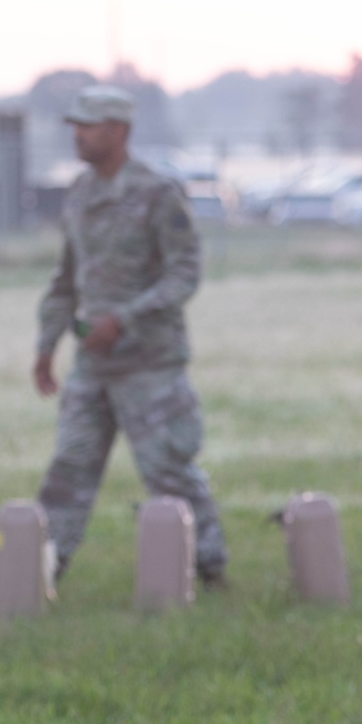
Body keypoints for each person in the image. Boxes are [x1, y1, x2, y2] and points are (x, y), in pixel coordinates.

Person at [30, 83, 227, 587]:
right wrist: (47, 344)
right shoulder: (79, 196)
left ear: (118, 131)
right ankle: (38, 571)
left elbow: (185, 272)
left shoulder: (158, 194)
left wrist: (125, 318)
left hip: (150, 362)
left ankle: (207, 565)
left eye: (88, 126)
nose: (77, 136)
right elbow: (65, 279)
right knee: (69, 467)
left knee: (169, 471)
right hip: (93, 366)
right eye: (74, 126)